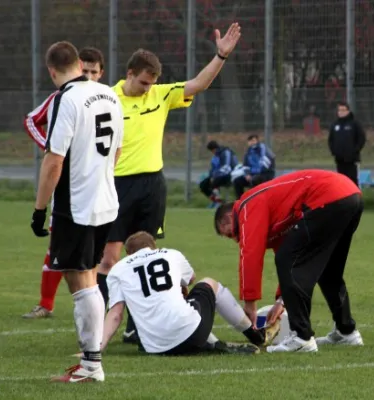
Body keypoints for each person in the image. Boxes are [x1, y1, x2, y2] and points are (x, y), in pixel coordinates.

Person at [96, 23, 242, 344]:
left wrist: (220, 55)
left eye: (153, 83)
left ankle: (138, 323)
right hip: (116, 186)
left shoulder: (161, 95)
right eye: (145, 82)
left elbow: (199, 84)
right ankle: (105, 318)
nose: (149, 88)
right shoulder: (107, 98)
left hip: (151, 186)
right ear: (130, 73)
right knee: (109, 258)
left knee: (148, 255)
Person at [30, 41, 123, 382]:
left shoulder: (65, 99)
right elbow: (117, 150)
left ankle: (91, 365)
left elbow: (54, 160)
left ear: (52, 70)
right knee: (89, 276)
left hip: (77, 205)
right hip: (107, 199)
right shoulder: (108, 94)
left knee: (79, 280)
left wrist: (40, 209)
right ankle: (91, 363)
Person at [213, 169, 365, 353]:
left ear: (230, 217)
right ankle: (346, 331)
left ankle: (302, 337)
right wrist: (280, 301)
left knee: (288, 259)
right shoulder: (272, 214)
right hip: (350, 195)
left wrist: (250, 303)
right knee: (328, 271)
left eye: (231, 233)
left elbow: (251, 253)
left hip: (327, 197)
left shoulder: (247, 205)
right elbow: (286, 247)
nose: (236, 239)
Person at [22, 46, 106, 319]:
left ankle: (97, 333)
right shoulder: (65, 98)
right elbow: (32, 121)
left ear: (101, 73)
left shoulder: (104, 98)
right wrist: (52, 147)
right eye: (88, 71)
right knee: (72, 260)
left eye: (96, 72)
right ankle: (47, 303)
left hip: (99, 191)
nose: (91, 76)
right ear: (80, 67)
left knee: (95, 264)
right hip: (77, 192)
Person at [101, 231, 280, 355]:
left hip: (152, 347)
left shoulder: (118, 269)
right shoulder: (170, 253)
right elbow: (191, 278)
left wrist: (96, 349)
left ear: (127, 253)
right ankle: (256, 335)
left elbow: (115, 314)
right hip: (191, 335)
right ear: (154, 247)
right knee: (208, 283)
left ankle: (212, 343)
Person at [328, 102, 366, 186]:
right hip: (339, 160)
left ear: (348, 111)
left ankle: (355, 199)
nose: (341, 112)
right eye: (339, 110)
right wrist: (334, 151)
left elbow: (361, 139)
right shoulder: (335, 125)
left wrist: (355, 150)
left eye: (343, 110)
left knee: (352, 182)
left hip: (352, 160)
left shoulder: (354, 124)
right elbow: (331, 140)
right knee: (341, 182)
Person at [233, 134, 276, 199]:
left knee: (254, 180)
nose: (252, 142)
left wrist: (252, 175)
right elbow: (245, 166)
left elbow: (265, 165)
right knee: (237, 181)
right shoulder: (248, 152)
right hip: (253, 175)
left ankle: (253, 200)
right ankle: (241, 201)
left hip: (265, 174)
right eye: (250, 141)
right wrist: (247, 174)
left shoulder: (263, 149)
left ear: (257, 141)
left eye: (253, 140)